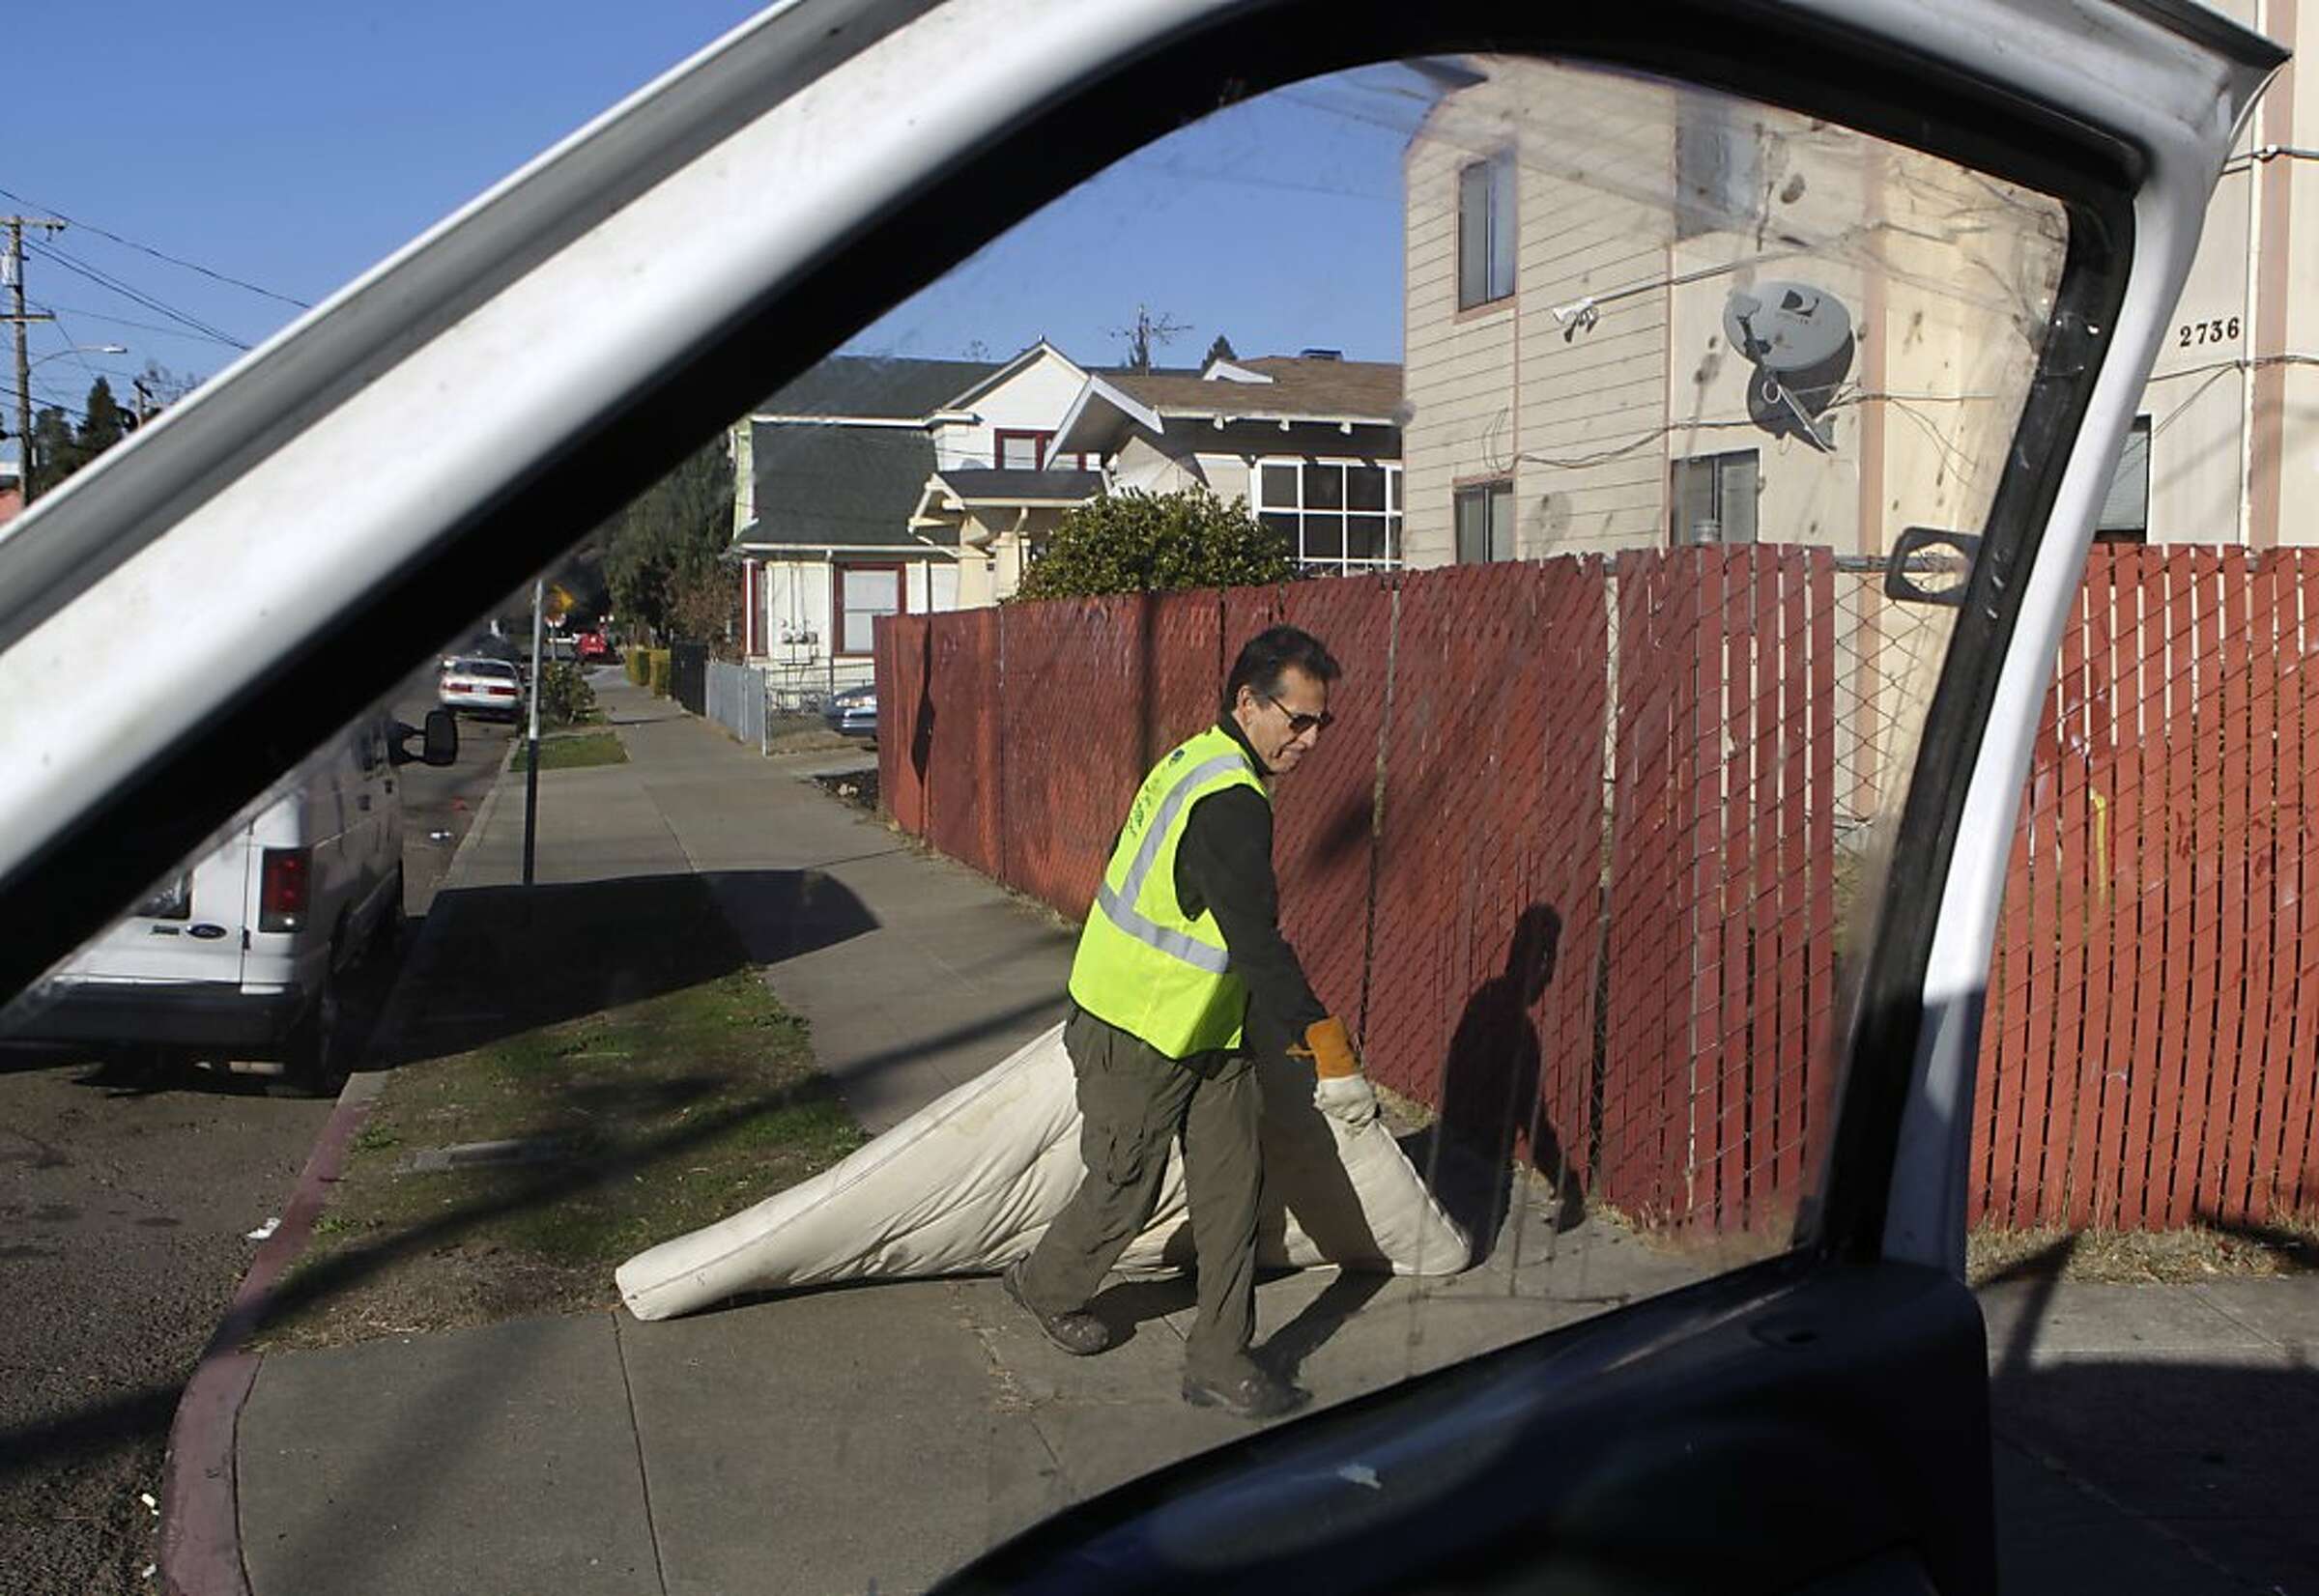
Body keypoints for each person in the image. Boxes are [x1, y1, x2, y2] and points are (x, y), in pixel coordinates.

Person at [1004, 625, 1379, 1420]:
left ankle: (1219, 1356)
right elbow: (1256, 940)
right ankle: (1045, 1285)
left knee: (1232, 1192)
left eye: (1321, 723)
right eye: (1297, 719)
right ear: (1247, 702)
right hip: (1132, 1026)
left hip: (1211, 1030)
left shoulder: (1198, 757)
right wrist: (1329, 1049)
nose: (1309, 740)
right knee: (1125, 1188)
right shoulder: (1229, 801)